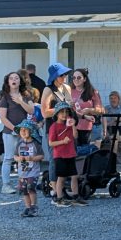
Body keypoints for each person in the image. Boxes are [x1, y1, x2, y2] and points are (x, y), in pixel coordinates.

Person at [0, 71, 36, 193]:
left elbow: (31, 111)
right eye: (11, 78)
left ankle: (22, 183)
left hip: (25, 133)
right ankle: (6, 185)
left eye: (16, 78)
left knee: (24, 158)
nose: (14, 80)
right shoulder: (5, 97)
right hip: (10, 132)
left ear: (20, 81)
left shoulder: (26, 95)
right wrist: (15, 129)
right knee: (8, 158)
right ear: (8, 82)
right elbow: (3, 117)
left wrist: (20, 101)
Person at [41, 62, 74, 195]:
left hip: (67, 127)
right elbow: (44, 112)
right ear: (55, 77)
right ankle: (54, 187)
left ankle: (63, 185)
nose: (64, 77)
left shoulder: (67, 87)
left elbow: (70, 106)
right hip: (53, 127)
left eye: (65, 74)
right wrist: (61, 108)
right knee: (55, 158)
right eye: (61, 75)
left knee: (67, 157)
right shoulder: (48, 90)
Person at [48, 103, 87, 207]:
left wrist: (73, 125)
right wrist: (62, 142)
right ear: (57, 114)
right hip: (60, 155)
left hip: (70, 154)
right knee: (61, 177)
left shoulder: (68, 125)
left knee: (74, 176)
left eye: (66, 112)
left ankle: (75, 196)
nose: (64, 114)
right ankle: (59, 198)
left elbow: (75, 136)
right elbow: (51, 143)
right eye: (62, 112)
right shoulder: (54, 127)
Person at [14, 119, 44, 217]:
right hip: (22, 172)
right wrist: (19, 158)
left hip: (33, 171)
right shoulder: (19, 143)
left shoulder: (35, 144)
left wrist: (32, 158)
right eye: (21, 130)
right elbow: (15, 156)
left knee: (31, 187)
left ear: (31, 131)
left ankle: (33, 206)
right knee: (23, 189)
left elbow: (41, 156)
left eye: (26, 130)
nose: (23, 132)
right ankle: (27, 207)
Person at [73, 68, 104, 147]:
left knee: (85, 153)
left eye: (79, 77)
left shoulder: (92, 92)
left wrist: (89, 110)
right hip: (72, 127)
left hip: (87, 128)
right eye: (74, 77)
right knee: (73, 154)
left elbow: (100, 110)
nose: (76, 79)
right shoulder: (69, 91)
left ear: (85, 79)